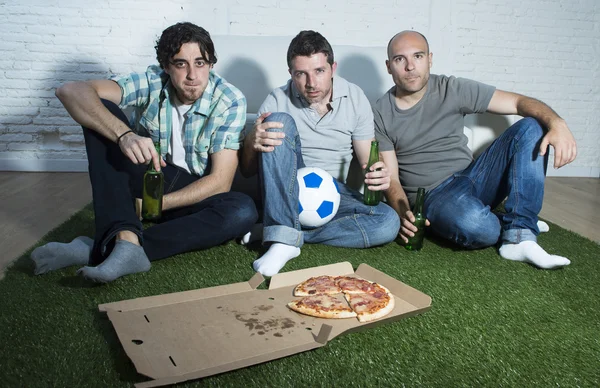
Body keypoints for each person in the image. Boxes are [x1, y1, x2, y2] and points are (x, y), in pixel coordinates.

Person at [31, 22, 258, 283]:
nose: (193, 75)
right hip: (149, 176)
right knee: (100, 111)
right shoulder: (152, 82)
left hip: (190, 192)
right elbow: (69, 91)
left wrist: (153, 206)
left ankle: (108, 248)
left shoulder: (229, 99)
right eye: (181, 64)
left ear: (211, 64)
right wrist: (124, 135)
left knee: (242, 210)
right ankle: (124, 241)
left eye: (200, 63)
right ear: (166, 66)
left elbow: (220, 182)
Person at [375, 30, 577, 269]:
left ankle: (520, 233)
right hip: (434, 195)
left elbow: (517, 102)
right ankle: (511, 222)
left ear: (429, 59)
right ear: (389, 66)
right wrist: (404, 214)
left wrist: (557, 122)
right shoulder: (380, 112)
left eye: (417, 56)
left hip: (474, 176)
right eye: (400, 59)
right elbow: (392, 178)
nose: (410, 66)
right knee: (478, 227)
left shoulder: (452, 88)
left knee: (532, 126)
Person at [240, 30, 400, 276]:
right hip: (286, 188)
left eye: (319, 71)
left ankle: (282, 231)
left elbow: (368, 159)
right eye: (300, 74)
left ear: (333, 67)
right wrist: (252, 140)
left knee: (388, 222)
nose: (311, 83)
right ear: (291, 73)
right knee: (278, 120)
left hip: (332, 194)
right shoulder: (276, 99)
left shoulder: (355, 97)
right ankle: (282, 237)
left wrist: (378, 172)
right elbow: (248, 170)